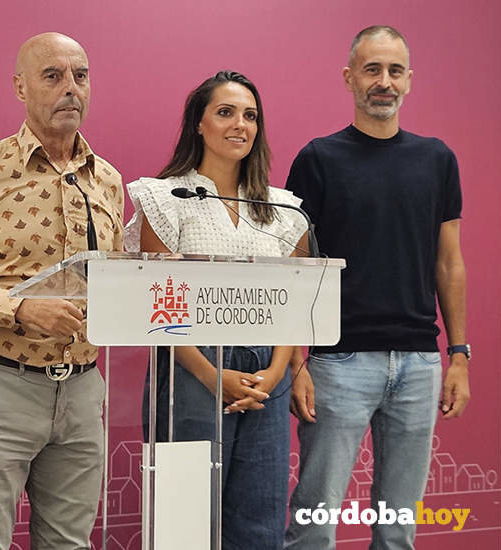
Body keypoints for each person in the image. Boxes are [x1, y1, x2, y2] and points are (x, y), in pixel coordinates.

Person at [0, 32, 123, 549]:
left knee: (69, 545)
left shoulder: (108, 181)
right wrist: (19, 310)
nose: (70, 89)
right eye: (52, 76)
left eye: (80, 76)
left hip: (81, 390)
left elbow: (114, 279)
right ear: (20, 87)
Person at [284, 25, 470, 549]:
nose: (383, 81)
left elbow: (449, 264)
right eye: (372, 69)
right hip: (338, 364)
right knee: (314, 525)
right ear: (350, 79)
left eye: (393, 70)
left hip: (419, 364)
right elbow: (297, 266)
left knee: (398, 529)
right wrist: (298, 360)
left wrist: (458, 354)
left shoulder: (437, 161)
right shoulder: (318, 160)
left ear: (409, 80)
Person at [125, 70, 309, 549]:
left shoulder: (285, 211)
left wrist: (275, 371)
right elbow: (157, 307)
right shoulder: (164, 199)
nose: (240, 125)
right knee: (183, 527)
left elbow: (292, 304)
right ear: (198, 125)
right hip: (190, 368)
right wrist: (213, 376)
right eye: (225, 112)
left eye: (250, 115)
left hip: (268, 373)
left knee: (259, 526)